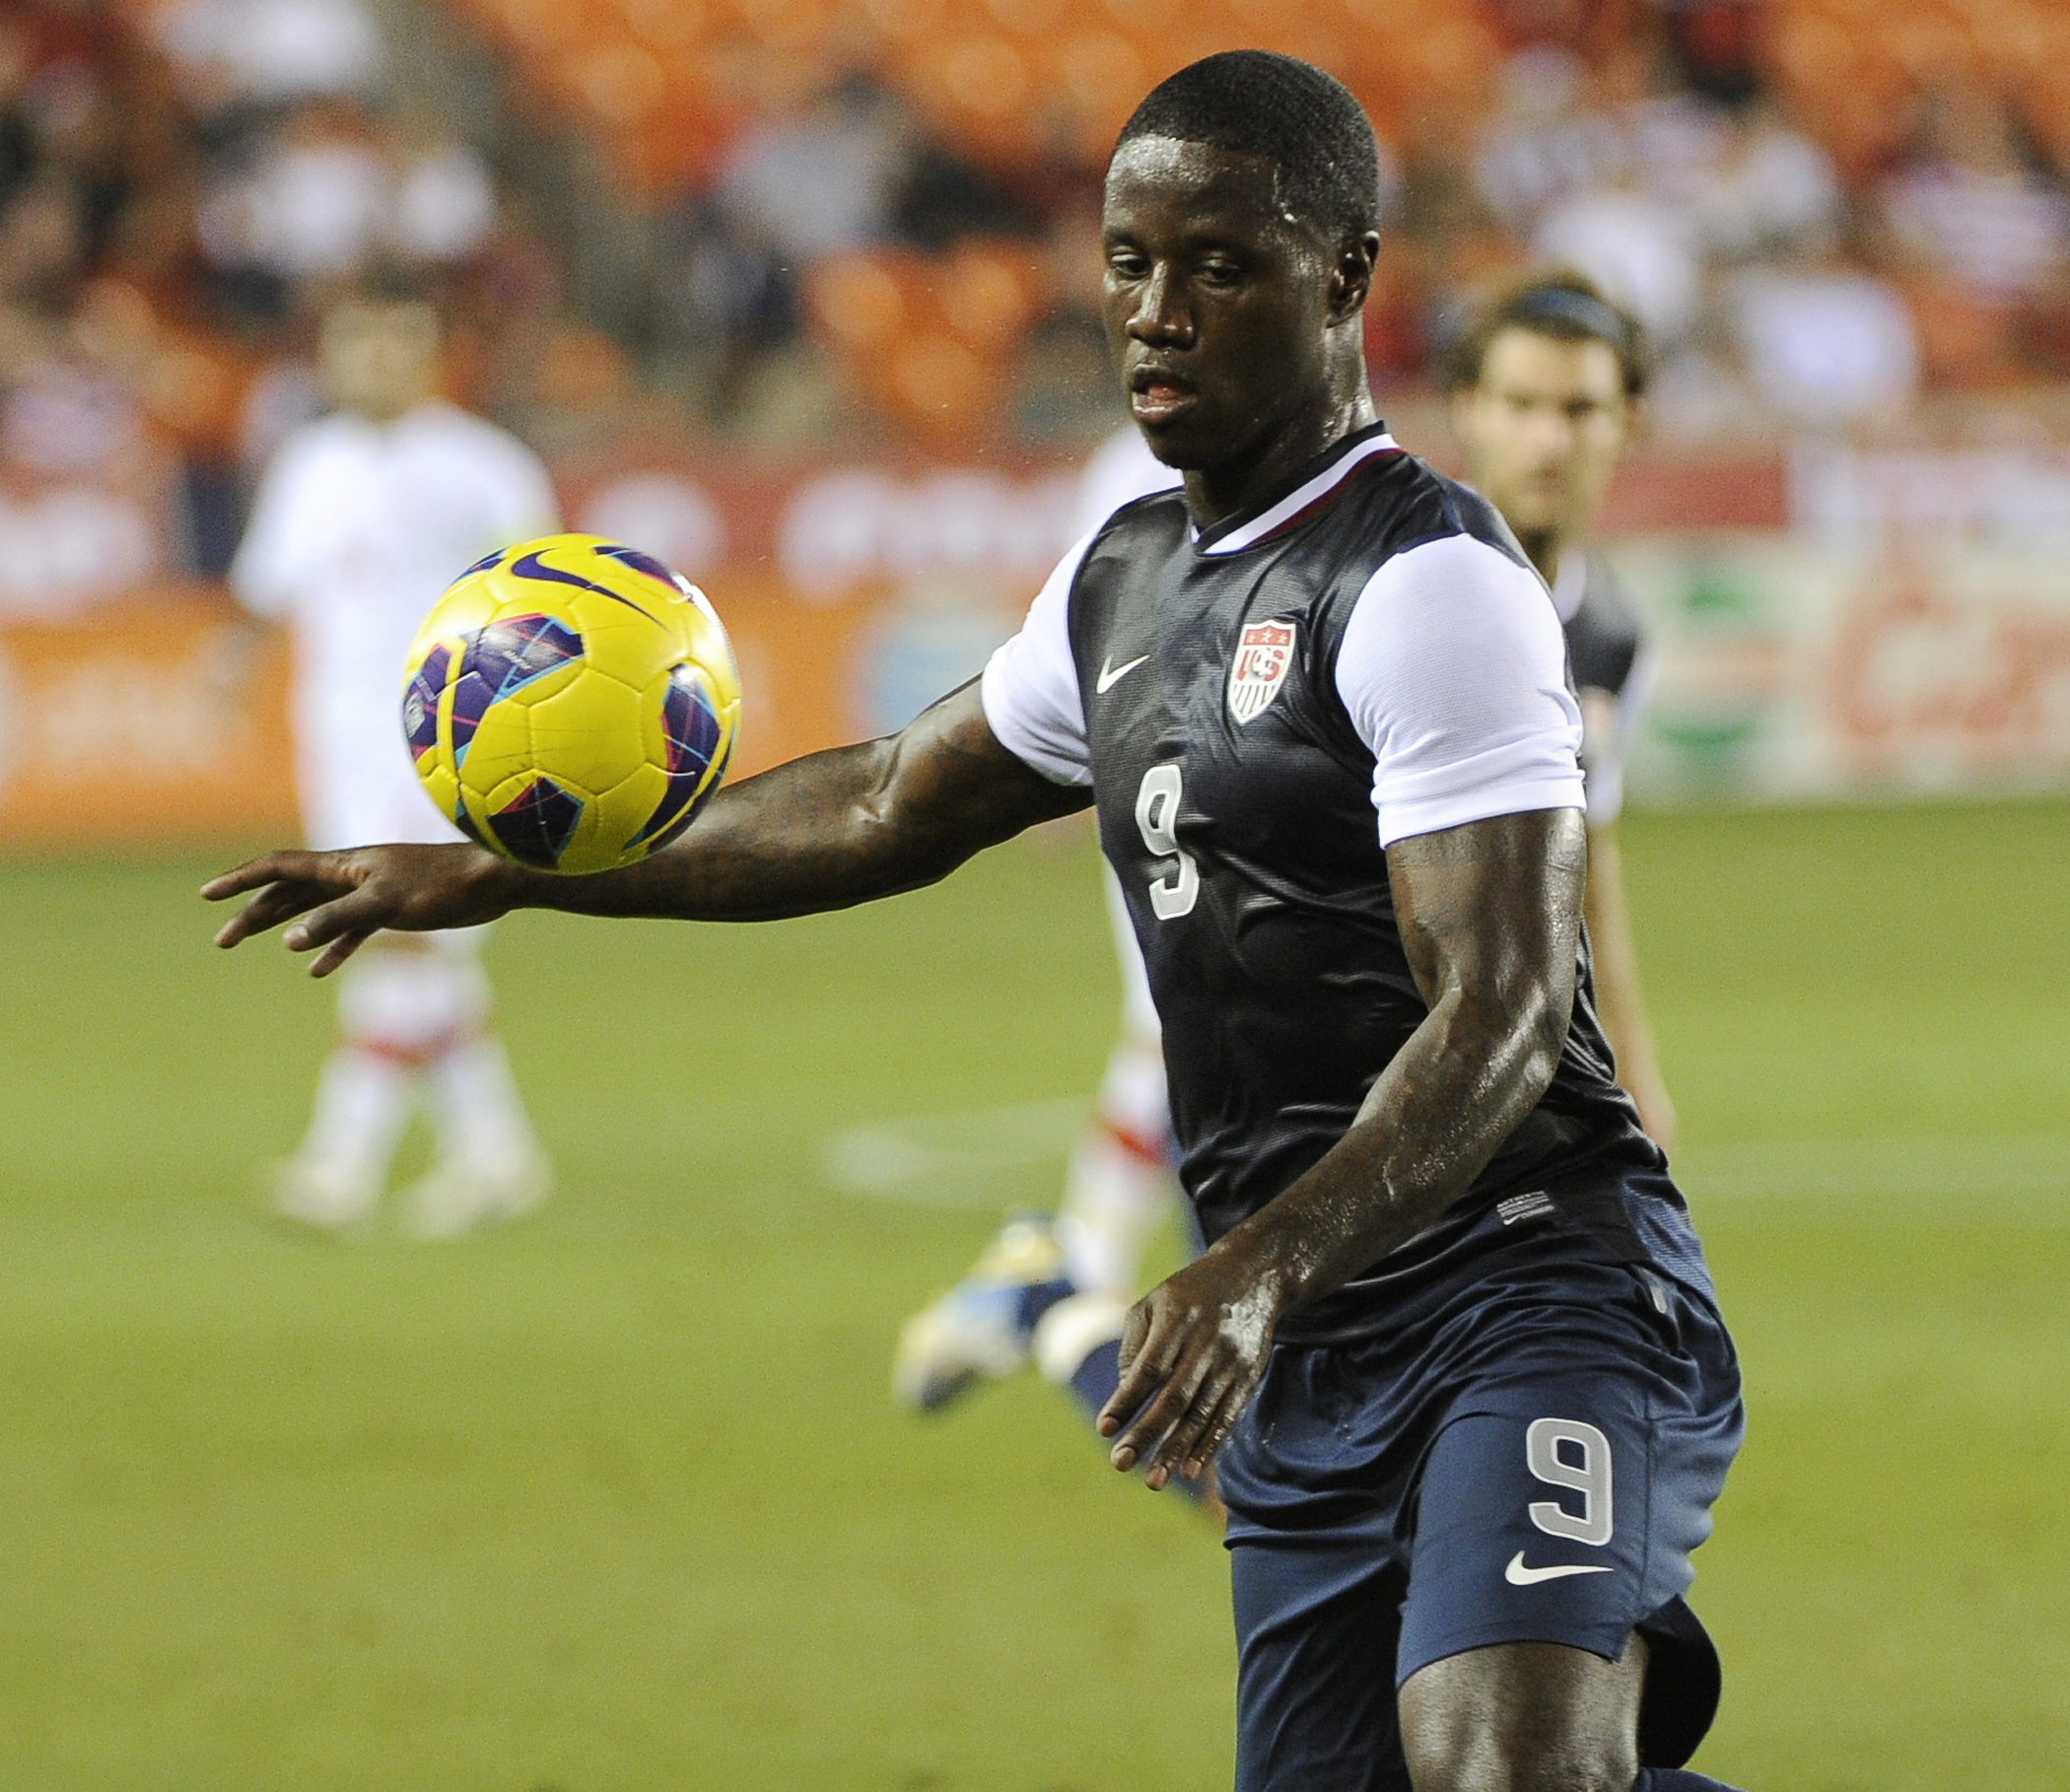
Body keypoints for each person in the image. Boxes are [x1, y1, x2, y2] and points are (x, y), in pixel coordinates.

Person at [207, 53, 1748, 1791]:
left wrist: (1247, 1267)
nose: (1155, 315)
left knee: (1509, 1770)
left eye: (1219, 266)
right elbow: (882, 801)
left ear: (1343, 279)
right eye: (1127, 262)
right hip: (1313, 1342)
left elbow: (1502, 1013)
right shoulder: (1126, 582)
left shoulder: (1430, 583)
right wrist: (514, 869)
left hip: (1525, 1277)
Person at [896, 271, 1680, 1451]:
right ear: (1463, 407)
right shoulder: (1394, 565)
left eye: (1580, 410)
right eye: (1521, 404)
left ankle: (1062, 1281)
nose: (1548, 439)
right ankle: (1073, 1301)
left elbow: (1582, 853)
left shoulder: (1606, 628)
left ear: (1630, 422)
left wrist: (1630, 1062)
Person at [229, 284, 557, 1236]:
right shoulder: (310, 461)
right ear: (329, 354)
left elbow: (545, 606)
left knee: (397, 928)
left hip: (450, 741)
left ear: (433, 354)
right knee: (420, 947)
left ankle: (342, 1164)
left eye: (396, 341)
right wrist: (227, 663)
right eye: (356, 340)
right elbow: (268, 585)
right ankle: (498, 1154)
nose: (374, 359)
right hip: (337, 741)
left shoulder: (485, 469)